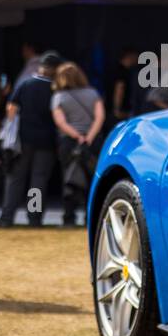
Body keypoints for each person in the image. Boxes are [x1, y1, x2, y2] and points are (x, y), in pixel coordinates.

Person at [0, 51, 61, 226]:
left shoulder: (26, 84)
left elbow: (11, 108)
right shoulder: (56, 88)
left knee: (15, 178)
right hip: (47, 140)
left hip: (23, 139)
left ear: (41, 67)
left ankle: (7, 217)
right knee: (38, 181)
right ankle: (34, 218)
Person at [51, 61, 106, 227]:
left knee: (69, 177)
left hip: (69, 143)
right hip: (92, 142)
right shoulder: (93, 93)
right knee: (92, 179)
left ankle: (69, 217)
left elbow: (60, 122)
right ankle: (91, 217)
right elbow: (100, 117)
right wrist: (89, 136)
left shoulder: (58, 97)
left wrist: (76, 136)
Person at [109, 46, 146, 121]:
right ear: (130, 56)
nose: (137, 59)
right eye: (136, 56)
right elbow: (119, 89)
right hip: (121, 110)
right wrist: (117, 109)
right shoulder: (122, 71)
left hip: (114, 108)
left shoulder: (115, 69)